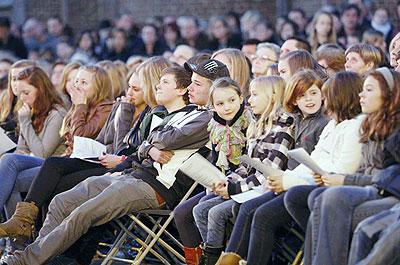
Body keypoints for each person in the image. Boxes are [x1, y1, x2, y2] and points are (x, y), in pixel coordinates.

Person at [1, 65, 211, 265]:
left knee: (83, 213)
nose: (157, 86)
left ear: (181, 90)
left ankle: (27, 260)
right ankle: (39, 257)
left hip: (154, 187)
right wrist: (148, 148)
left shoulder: (201, 117)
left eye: (164, 82)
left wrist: (148, 145)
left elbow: (159, 141)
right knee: (61, 202)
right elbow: (139, 144)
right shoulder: (164, 114)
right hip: (130, 174)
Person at [302, 68, 400, 265]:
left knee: (333, 198)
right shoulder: (371, 123)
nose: (361, 95)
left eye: (369, 90)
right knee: (318, 197)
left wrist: (345, 180)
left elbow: (389, 179)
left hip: (391, 195)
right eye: (362, 89)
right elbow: (367, 171)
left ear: (389, 93)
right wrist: (333, 177)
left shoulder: (395, 130)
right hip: (374, 188)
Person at [193, 76, 295, 264]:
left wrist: (233, 189)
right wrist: (227, 182)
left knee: (216, 213)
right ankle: (214, 256)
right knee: (200, 209)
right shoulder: (257, 125)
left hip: (265, 189)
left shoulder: (283, 127)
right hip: (248, 187)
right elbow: (246, 166)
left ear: (272, 97)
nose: (250, 100)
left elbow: (269, 171)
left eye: (255, 95)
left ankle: (223, 260)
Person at [0, 66, 67, 216]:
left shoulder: (57, 114)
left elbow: (42, 153)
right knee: (8, 169)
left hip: (53, 166)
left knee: (9, 163)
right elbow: (22, 148)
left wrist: (25, 123)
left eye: (26, 93)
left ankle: (16, 236)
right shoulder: (31, 110)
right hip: (33, 163)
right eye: (20, 93)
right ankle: (15, 236)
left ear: (41, 90)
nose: (22, 98)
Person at [0, 60, 36, 143]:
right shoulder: (5, 97)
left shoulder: (36, 102)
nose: (17, 84)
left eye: (21, 78)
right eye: (14, 79)